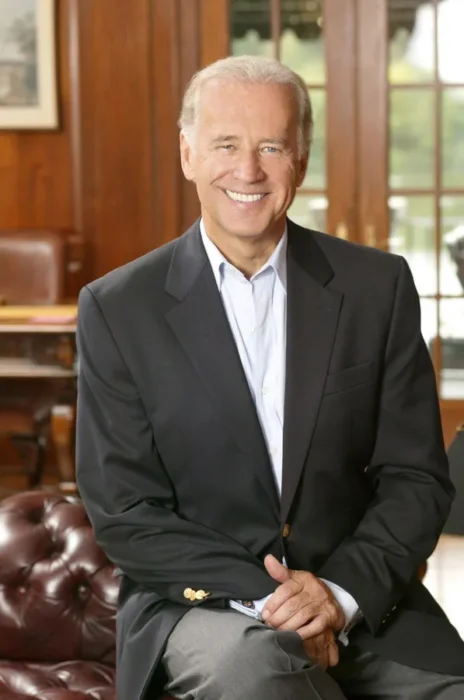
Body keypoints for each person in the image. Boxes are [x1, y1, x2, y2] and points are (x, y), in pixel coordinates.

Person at [75, 55, 464, 700]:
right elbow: (126, 511)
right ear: (187, 153)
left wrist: (336, 597)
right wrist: (278, 601)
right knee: (258, 675)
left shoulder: (378, 287)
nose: (247, 170)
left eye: (271, 146)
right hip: (201, 607)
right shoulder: (119, 308)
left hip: (361, 602)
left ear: (301, 160)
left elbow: (416, 477)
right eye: (225, 144)